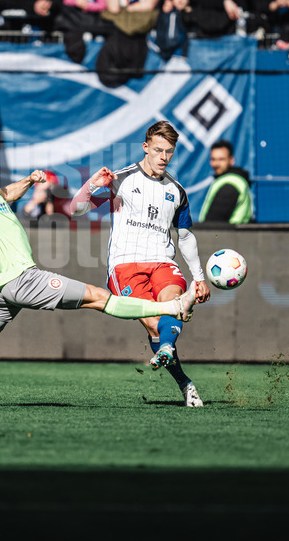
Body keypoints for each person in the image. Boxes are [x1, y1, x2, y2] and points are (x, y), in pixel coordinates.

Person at [0, 143, 199, 404]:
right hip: (21, 279)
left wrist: (28, 180)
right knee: (99, 297)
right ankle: (171, 307)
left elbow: (7, 194)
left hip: (0, 289)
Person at [70, 122, 210, 407]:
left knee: (175, 301)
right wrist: (92, 184)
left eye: (169, 152)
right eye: (158, 150)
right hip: (125, 265)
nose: (163, 157)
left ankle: (168, 347)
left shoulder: (177, 191)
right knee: (155, 326)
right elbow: (76, 208)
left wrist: (199, 277)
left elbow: (184, 236)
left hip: (161, 260)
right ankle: (185, 383)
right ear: (145, 147)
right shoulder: (120, 179)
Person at [198, 139, 252, 224]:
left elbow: (213, 225)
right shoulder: (232, 180)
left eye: (221, 159)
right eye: (213, 159)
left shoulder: (230, 185)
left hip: (228, 236)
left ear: (231, 160)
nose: (216, 164)